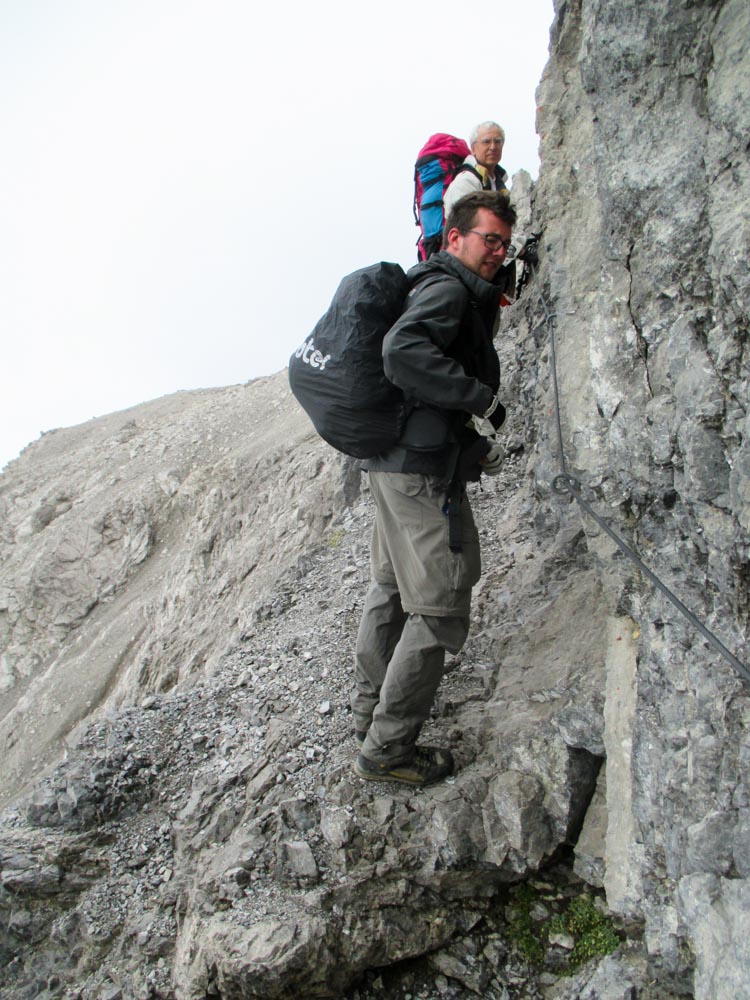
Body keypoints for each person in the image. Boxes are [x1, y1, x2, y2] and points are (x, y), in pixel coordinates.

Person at [351, 190, 517, 787]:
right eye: (486, 239)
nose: (496, 252)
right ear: (454, 237)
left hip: (391, 462)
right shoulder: (448, 291)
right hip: (419, 472)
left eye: (503, 242)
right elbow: (403, 353)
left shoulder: (436, 284)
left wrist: (472, 448)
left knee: (391, 587)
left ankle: (369, 711)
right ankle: (388, 748)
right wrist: (481, 401)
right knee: (442, 602)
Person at [443, 121, 509, 219]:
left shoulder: (497, 181)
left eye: (498, 141)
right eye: (486, 142)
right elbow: (463, 223)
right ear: (473, 148)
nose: (493, 147)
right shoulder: (466, 181)